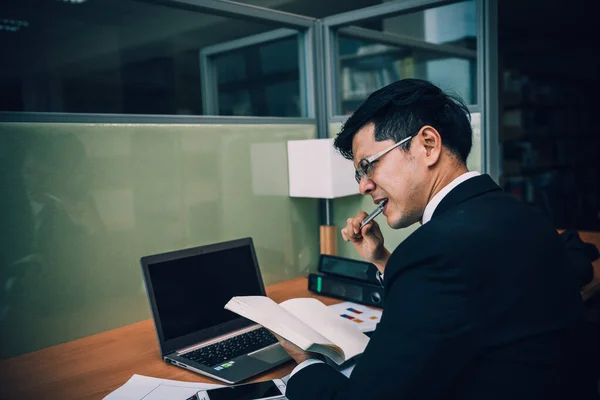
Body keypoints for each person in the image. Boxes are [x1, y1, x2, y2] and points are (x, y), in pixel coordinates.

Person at [275, 79, 595, 399]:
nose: (364, 186)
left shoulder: (435, 250)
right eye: (359, 174)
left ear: (428, 145)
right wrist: (382, 258)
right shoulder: (521, 214)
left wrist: (304, 366)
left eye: (368, 166)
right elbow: (466, 302)